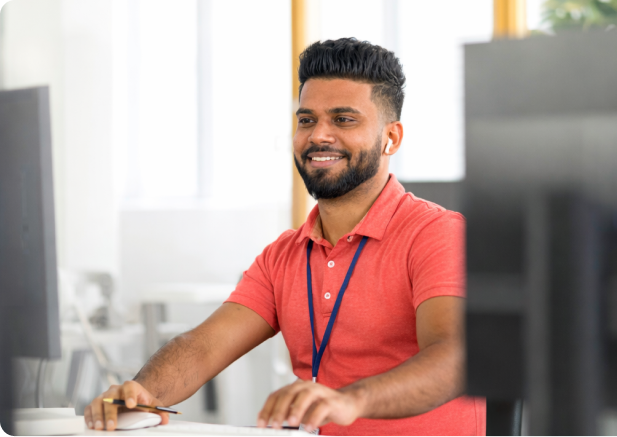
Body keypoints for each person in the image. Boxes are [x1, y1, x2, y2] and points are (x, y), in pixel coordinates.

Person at [85, 37, 485, 436]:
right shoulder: (284, 254)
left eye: (344, 120)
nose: (318, 136)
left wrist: (351, 400)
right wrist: (142, 392)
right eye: (307, 120)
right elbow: (205, 346)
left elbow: (457, 356)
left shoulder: (439, 233)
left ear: (391, 138)